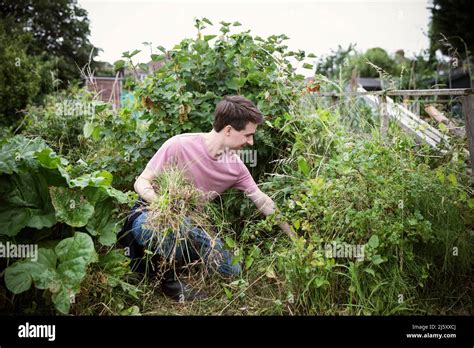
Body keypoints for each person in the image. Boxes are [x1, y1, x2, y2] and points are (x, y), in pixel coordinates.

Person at [118, 95, 295, 301]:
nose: (251, 141)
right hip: (150, 216)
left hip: (192, 224)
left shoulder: (235, 167)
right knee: (173, 226)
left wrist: (293, 236)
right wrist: (162, 204)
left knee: (233, 269)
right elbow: (141, 182)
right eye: (247, 135)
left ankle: (180, 257)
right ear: (228, 130)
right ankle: (168, 280)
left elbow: (263, 201)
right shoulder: (179, 145)